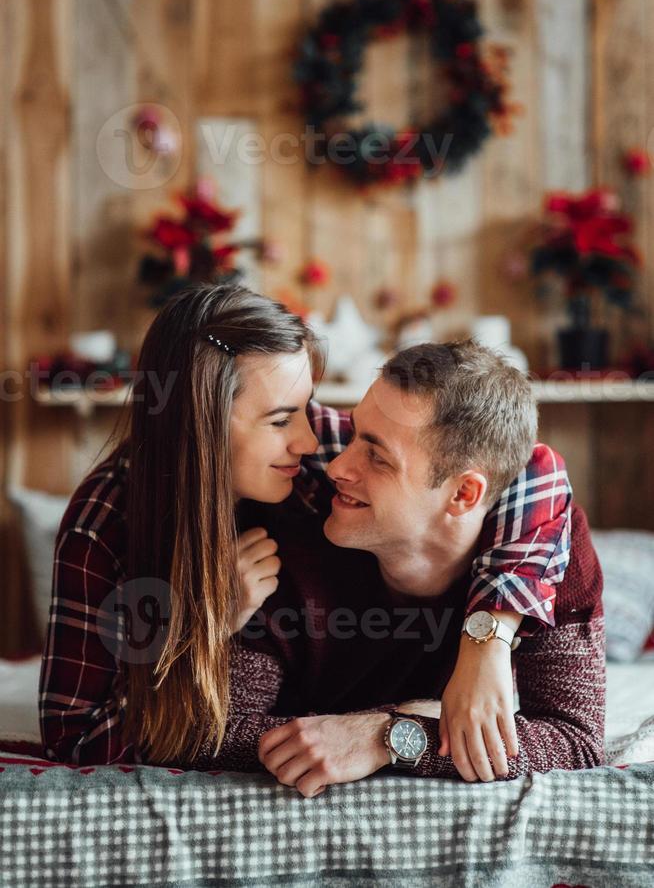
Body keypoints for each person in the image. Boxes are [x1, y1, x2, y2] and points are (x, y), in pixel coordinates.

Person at [38, 286, 573, 776]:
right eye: (279, 419)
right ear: (198, 423)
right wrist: (201, 623)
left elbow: (526, 465)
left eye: (306, 407)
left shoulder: (316, 464)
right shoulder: (104, 525)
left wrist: (488, 637)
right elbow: (78, 738)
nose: (310, 438)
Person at [193, 341, 604, 796]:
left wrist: (386, 737)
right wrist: (419, 715)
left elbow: (575, 741)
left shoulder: (547, 554)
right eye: (353, 436)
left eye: (377, 456)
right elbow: (212, 735)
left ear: (464, 495)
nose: (336, 468)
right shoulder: (283, 532)